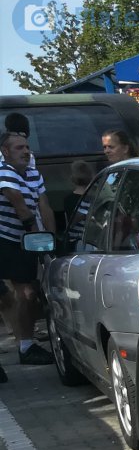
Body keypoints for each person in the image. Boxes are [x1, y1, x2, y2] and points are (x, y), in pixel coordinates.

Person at [0, 131, 53, 365]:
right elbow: (18, 204)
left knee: (26, 294)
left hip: (23, 240)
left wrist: (50, 239)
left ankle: (26, 344)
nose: (26, 151)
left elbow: (45, 206)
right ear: (5, 152)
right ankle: (26, 345)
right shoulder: (5, 172)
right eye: (19, 148)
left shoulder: (33, 174)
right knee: (20, 294)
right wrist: (36, 236)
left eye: (26, 147)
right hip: (6, 239)